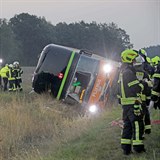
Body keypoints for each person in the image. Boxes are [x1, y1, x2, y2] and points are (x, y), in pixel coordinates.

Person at [118, 49, 145, 155]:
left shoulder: (123, 72)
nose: (135, 62)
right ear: (129, 59)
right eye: (134, 60)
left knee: (127, 126)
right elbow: (136, 88)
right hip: (133, 104)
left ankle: (126, 149)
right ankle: (138, 148)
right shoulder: (129, 72)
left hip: (126, 105)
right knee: (138, 125)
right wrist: (144, 84)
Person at [134, 54, 152, 134]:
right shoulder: (145, 74)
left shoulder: (129, 73)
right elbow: (148, 88)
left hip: (132, 98)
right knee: (144, 113)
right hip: (143, 98)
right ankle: (146, 129)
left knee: (135, 115)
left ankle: (136, 131)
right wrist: (148, 99)